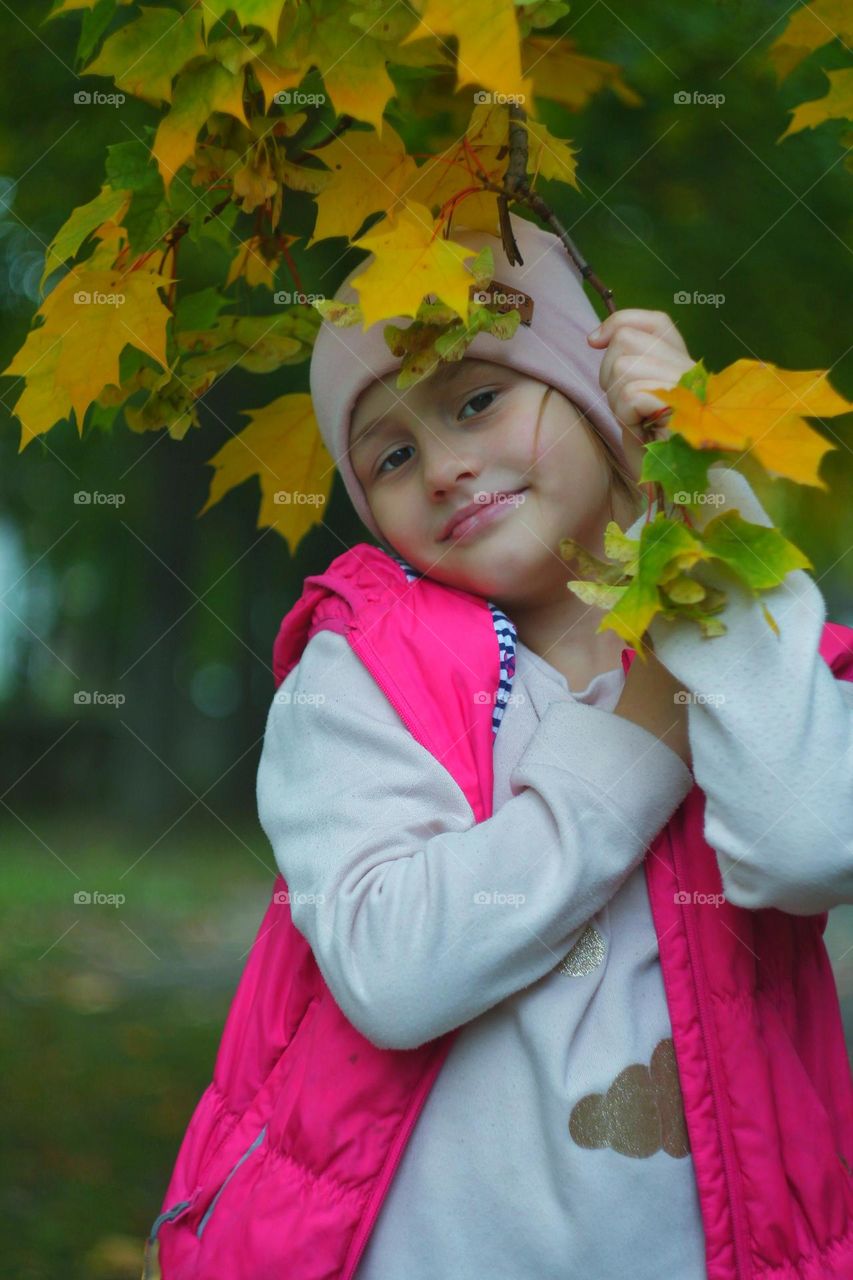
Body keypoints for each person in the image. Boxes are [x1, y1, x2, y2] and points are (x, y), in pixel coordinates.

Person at [147, 213, 853, 1280]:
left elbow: (809, 847)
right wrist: (643, 733)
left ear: (592, 390)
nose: (441, 465)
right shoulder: (363, 668)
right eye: (390, 454)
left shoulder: (746, 649)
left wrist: (699, 503)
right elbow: (394, 969)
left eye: (477, 399)